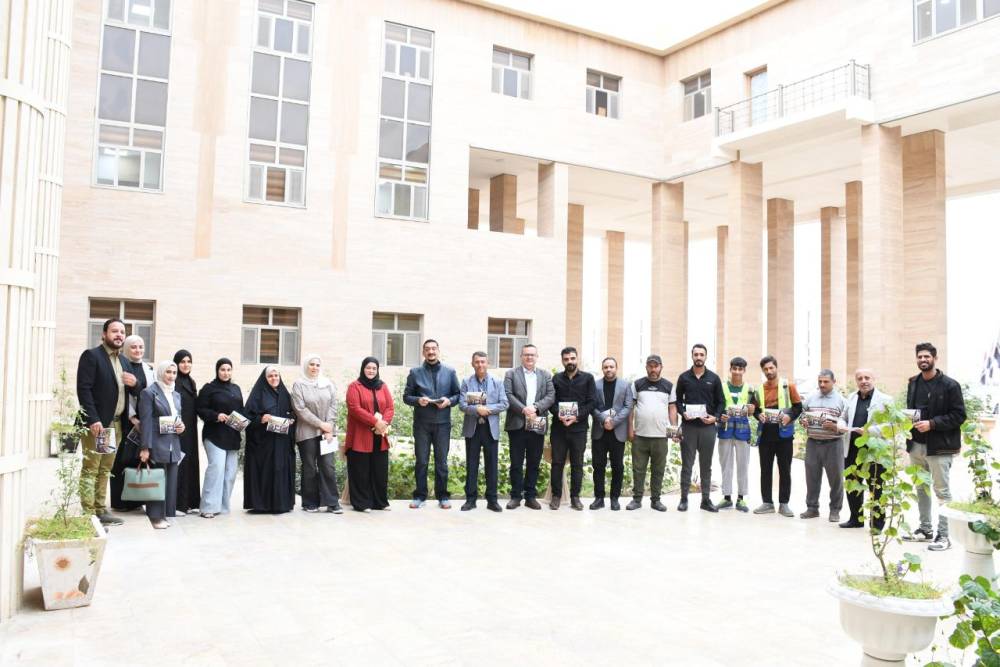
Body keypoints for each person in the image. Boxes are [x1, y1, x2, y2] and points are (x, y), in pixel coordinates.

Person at [903, 342, 967, 552]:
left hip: (939, 447)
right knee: (921, 489)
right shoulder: (913, 382)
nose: (923, 360)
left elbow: (959, 415)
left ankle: (944, 536)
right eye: (920, 357)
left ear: (935, 358)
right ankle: (925, 529)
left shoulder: (950, 385)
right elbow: (912, 409)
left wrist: (932, 424)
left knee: (942, 492)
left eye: (927, 356)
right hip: (916, 445)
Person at [76, 318, 136, 526]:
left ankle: (100, 510)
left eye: (122, 332)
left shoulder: (125, 362)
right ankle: (88, 513)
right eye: (114, 331)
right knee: (91, 467)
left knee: (104, 469)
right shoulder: (92, 356)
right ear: (104, 334)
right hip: (97, 425)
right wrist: (92, 419)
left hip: (115, 425)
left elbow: (133, 391)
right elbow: (84, 389)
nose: (119, 335)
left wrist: (135, 383)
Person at [404, 339, 460, 509]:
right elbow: (406, 397)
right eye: (427, 349)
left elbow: (458, 395)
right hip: (422, 424)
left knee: (441, 462)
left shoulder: (450, 372)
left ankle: (442, 496)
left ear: (438, 351)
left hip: (443, 424)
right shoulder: (415, 372)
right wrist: (418, 400)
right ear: (423, 352)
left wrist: (449, 401)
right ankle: (420, 496)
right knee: (421, 461)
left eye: (433, 348)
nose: (431, 351)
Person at [503, 344, 555, 510]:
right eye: (526, 354)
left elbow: (551, 396)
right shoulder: (511, 374)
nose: (529, 357)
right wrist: (523, 409)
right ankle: (516, 496)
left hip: (537, 423)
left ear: (537, 357)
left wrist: (536, 408)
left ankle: (530, 497)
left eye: (532, 354)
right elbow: (508, 394)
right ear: (521, 356)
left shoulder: (545, 375)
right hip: (517, 423)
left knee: (534, 462)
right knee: (516, 463)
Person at [674, 343, 724, 512]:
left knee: (706, 465)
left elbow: (721, 402)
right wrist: (683, 413)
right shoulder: (683, 378)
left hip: (707, 428)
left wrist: (715, 417)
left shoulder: (714, 378)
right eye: (696, 354)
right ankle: (683, 499)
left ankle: (706, 500)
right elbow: (677, 400)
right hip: (689, 427)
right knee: (687, 465)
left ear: (706, 357)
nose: (699, 357)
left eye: (701, 354)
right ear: (692, 356)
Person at [291, 355, 342, 514]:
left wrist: (329, 427)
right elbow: (300, 409)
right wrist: (321, 424)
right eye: (311, 364)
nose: (314, 367)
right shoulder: (299, 385)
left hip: (327, 432)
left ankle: (332, 502)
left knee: (328, 465)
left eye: (317, 365)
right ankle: (310, 502)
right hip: (307, 433)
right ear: (306, 366)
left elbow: (334, 405)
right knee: (309, 467)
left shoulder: (327, 384)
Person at [458, 351, 509, 512]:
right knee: (471, 465)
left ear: (488, 363)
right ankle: (470, 500)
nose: (480, 364)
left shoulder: (497, 382)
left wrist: (487, 409)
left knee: (491, 466)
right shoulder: (466, 382)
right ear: (472, 364)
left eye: (483, 362)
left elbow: (504, 403)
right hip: (472, 429)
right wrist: (476, 410)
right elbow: (462, 405)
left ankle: (492, 500)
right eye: (477, 362)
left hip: (490, 429)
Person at [840, 368, 891, 530]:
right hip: (852, 448)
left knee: (876, 486)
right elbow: (843, 417)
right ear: (856, 381)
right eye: (860, 378)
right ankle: (856, 519)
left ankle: (877, 524)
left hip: (874, 451)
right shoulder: (851, 397)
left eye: (867, 377)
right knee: (853, 484)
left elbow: (891, 425)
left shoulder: (885, 399)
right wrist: (841, 425)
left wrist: (869, 431)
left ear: (873, 379)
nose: (863, 381)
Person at [752, 356, 802, 517]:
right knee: (765, 470)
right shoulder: (759, 389)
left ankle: (784, 504)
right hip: (766, 435)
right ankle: (767, 503)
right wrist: (758, 415)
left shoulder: (789, 386)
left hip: (784, 435)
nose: (769, 371)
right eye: (765, 369)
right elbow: (755, 410)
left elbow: (798, 407)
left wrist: (789, 417)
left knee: (785, 470)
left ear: (776, 367)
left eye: (771, 368)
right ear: (763, 371)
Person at [137, 360, 185, 529]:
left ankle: (167, 513)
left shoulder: (176, 395)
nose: (171, 376)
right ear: (161, 373)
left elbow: (178, 417)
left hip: (173, 443)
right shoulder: (149, 393)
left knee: (170, 481)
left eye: (174, 373)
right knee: (157, 480)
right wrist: (145, 447)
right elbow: (146, 422)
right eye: (168, 372)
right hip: (157, 442)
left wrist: (182, 426)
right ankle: (156, 517)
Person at [627, 354, 677, 512]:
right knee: (638, 469)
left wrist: (674, 430)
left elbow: (672, 409)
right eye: (650, 366)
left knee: (658, 470)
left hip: (661, 437)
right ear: (646, 367)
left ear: (661, 367)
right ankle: (637, 500)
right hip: (640, 436)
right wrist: (630, 429)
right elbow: (630, 408)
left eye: (656, 366)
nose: (653, 369)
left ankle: (656, 500)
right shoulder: (637, 384)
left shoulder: (668, 386)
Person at [244, 365, 297, 514]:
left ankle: (281, 504)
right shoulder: (258, 394)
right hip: (263, 444)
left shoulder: (285, 394)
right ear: (265, 378)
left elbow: (292, 413)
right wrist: (261, 418)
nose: (274, 378)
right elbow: (247, 416)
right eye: (270, 376)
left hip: (281, 442)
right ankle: (262, 505)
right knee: (265, 472)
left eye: (276, 375)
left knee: (280, 470)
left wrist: (291, 420)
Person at [548, 346, 596, 511]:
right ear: (562, 361)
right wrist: (559, 415)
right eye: (566, 359)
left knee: (577, 464)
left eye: (572, 358)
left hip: (579, 429)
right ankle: (556, 496)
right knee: (557, 463)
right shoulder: (556, 379)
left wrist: (576, 417)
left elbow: (592, 402)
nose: (570, 361)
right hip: (559, 428)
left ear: (577, 359)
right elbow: (551, 402)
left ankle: (575, 497)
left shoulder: (588, 378)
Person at [195, 358, 244, 519]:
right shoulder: (209, 388)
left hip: (232, 435)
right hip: (214, 434)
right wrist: (216, 415)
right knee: (216, 469)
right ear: (217, 370)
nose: (226, 373)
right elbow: (200, 409)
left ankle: (222, 506)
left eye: (229, 369)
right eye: (222, 369)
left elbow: (241, 410)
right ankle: (208, 507)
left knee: (230, 473)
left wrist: (242, 420)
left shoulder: (236, 388)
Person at [110, 334, 153, 513]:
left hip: (145, 422)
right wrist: (132, 417)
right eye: (133, 347)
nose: (138, 350)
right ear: (126, 348)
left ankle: (135, 500)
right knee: (121, 460)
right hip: (126, 421)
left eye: (141, 346)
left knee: (137, 459)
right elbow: (121, 394)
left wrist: (144, 419)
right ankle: (120, 502)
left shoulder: (149, 369)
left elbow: (150, 394)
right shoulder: (121, 365)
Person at [345, 357, 394, 513]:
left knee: (380, 471)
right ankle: (362, 503)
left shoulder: (383, 386)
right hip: (360, 435)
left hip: (380, 435)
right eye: (368, 368)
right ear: (363, 369)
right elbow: (355, 408)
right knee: (361, 471)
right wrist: (375, 422)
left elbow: (390, 407)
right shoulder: (355, 386)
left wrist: (384, 423)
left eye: (374, 368)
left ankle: (379, 502)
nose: (371, 371)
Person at [799, 369, 848, 522]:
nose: (822, 384)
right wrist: (803, 421)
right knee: (812, 478)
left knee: (836, 480)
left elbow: (846, 422)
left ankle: (835, 510)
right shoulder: (811, 397)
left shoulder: (841, 401)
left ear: (834, 382)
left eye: (826, 381)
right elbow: (802, 414)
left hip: (833, 444)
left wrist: (836, 426)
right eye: (820, 381)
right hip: (813, 443)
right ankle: (812, 508)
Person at [716, 357, 758, 512]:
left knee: (743, 465)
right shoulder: (722, 387)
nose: (737, 372)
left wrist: (753, 410)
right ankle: (726, 497)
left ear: (744, 371)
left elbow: (755, 410)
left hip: (742, 431)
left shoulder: (750, 389)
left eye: (740, 369)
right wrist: (720, 416)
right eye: (735, 368)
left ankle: (741, 498)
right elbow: (717, 407)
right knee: (725, 465)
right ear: (730, 369)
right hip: (725, 430)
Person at [590, 357, 631, 511]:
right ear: (602, 369)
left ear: (616, 368)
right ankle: (599, 498)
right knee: (598, 466)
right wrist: (604, 419)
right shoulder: (595, 385)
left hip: (617, 431)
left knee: (617, 466)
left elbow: (628, 407)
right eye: (606, 367)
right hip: (599, 431)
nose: (608, 369)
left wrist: (614, 422)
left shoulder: (625, 385)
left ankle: (615, 498)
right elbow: (591, 405)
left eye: (611, 367)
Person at [173, 350, 200, 515]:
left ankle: (190, 502)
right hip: (178, 429)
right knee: (179, 464)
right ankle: (177, 504)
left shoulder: (191, 381)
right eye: (182, 361)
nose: (186, 364)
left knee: (190, 463)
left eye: (189, 361)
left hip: (191, 430)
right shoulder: (173, 381)